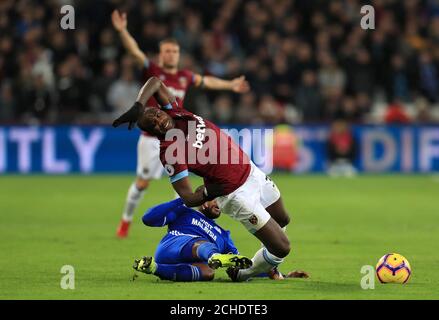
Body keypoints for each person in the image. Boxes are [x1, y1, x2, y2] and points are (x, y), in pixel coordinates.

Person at [113, 76, 291, 282]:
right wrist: (210, 192)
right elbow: (188, 197)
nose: (158, 120)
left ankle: (269, 267)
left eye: (156, 114)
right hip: (235, 194)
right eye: (153, 124)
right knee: (282, 247)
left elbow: (155, 82)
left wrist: (138, 105)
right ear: (154, 133)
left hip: (251, 171)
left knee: (283, 219)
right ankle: (242, 273)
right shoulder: (170, 152)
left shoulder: (176, 112)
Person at [111, 10, 250, 238]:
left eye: (175, 51)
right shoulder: (153, 71)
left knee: (182, 187)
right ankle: (126, 221)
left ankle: (185, 226)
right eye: (167, 51)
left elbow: (207, 81)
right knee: (143, 182)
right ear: (160, 54)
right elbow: (134, 52)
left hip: (181, 139)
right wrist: (122, 31)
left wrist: (230, 85)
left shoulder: (185, 76)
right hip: (151, 139)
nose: (171, 55)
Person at [132, 198, 251, 282]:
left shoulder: (223, 235)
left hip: (179, 264)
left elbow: (244, 264)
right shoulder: (185, 212)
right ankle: (213, 255)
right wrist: (183, 199)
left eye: (221, 201)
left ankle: (153, 268)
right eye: (215, 199)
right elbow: (148, 219)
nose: (219, 203)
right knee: (201, 243)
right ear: (203, 201)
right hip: (172, 245)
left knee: (208, 272)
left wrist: (266, 269)